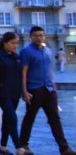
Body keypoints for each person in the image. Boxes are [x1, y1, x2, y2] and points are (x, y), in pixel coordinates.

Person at [19, 26, 76, 155]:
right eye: (36, 35)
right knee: (30, 117)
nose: (39, 38)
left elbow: (50, 70)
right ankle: (23, 145)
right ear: (31, 37)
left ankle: (64, 148)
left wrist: (54, 88)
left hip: (49, 89)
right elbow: (23, 72)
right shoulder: (26, 51)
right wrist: (24, 91)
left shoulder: (48, 51)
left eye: (41, 35)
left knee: (55, 118)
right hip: (34, 90)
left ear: (44, 36)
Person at [0, 32, 25, 155]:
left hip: (15, 92)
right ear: (5, 43)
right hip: (2, 92)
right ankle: (18, 147)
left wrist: (23, 90)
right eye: (12, 43)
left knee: (7, 119)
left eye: (17, 43)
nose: (15, 45)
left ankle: (3, 147)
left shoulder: (16, 57)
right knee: (12, 117)